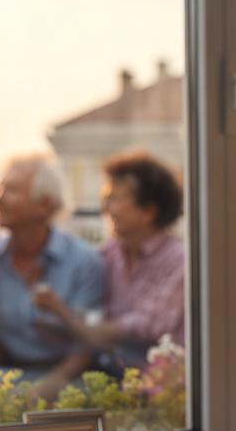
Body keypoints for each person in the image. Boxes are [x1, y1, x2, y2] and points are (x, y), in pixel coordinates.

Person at [34, 149, 184, 371]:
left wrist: (61, 311)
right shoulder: (110, 253)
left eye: (113, 198)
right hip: (114, 372)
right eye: (104, 199)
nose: (104, 209)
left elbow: (144, 329)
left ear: (148, 211)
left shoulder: (178, 261)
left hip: (162, 383)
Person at [0, 155, 104, 402]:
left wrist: (54, 382)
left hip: (67, 378)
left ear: (44, 205)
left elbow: (88, 343)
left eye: (11, 190)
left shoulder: (84, 261)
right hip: (4, 374)